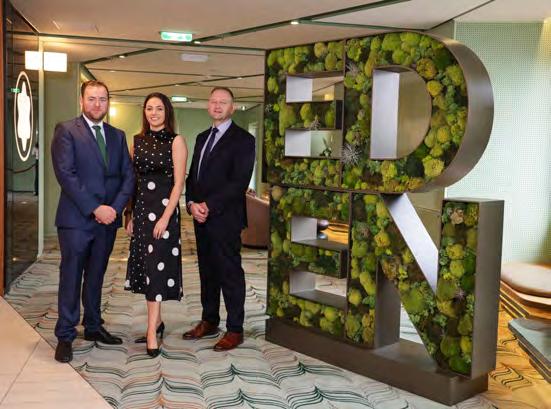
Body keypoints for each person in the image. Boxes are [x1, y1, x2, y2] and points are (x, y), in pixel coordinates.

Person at [51, 80, 135, 363]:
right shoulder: (66, 130)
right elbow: (66, 175)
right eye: (92, 98)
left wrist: (115, 208)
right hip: (76, 219)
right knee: (71, 276)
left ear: (108, 102)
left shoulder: (117, 135)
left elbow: (128, 176)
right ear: (81, 101)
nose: (97, 104)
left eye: (102, 99)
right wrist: (95, 208)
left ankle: (93, 326)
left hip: (107, 220)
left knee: (97, 275)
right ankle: (65, 335)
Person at [183, 87, 255, 351]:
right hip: (200, 218)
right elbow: (193, 176)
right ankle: (209, 320)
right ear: (208, 105)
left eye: (223, 102)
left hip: (226, 218)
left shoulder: (244, 140)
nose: (217, 106)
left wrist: (209, 205)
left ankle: (235, 329)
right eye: (213, 101)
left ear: (232, 108)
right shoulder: (202, 137)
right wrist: (191, 204)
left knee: (229, 273)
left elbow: (238, 182)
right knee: (207, 272)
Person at [124, 93, 187, 357]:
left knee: (157, 271)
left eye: (159, 108)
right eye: (149, 108)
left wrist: (165, 217)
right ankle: (157, 323)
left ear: (167, 112)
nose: (153, 113)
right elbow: (132, 181)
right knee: (147, 270)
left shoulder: (176, 141)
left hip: (164, 215)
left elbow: (178, 184)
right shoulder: (136, 141)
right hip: (141, 213)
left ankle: (151, 332)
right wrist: (129, 215)